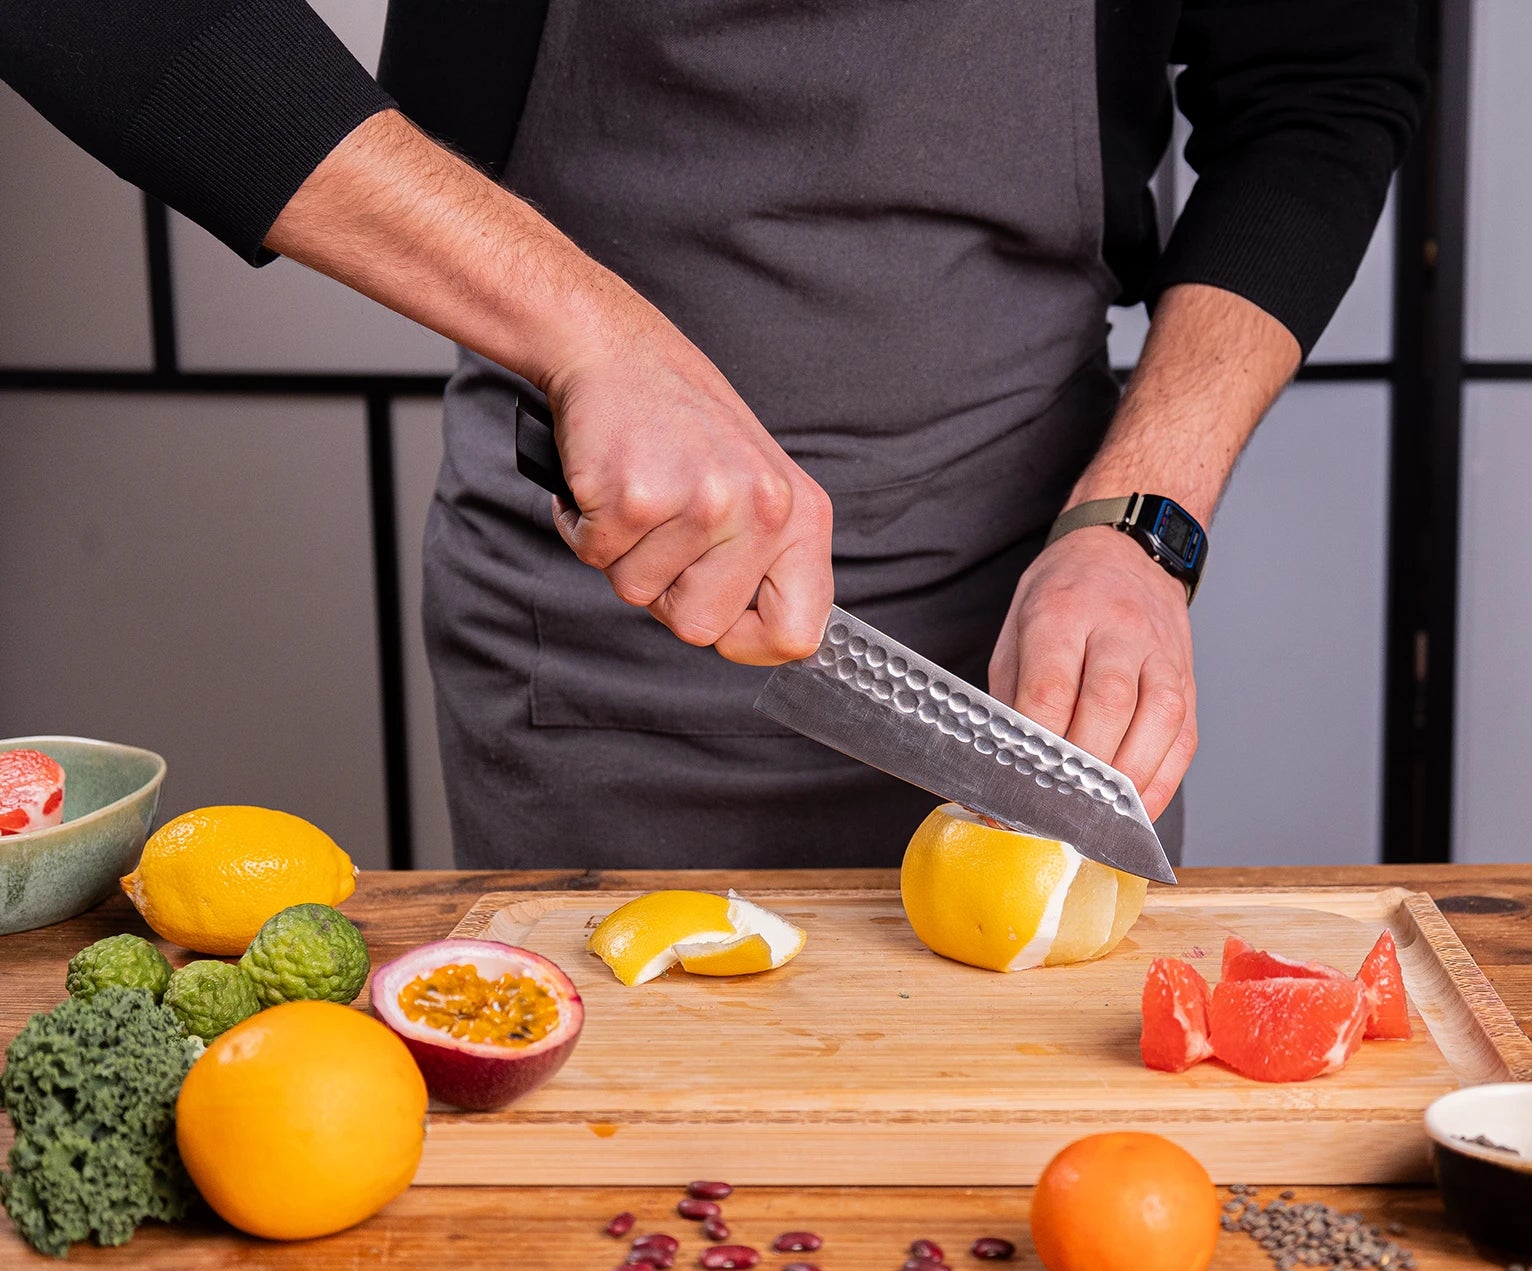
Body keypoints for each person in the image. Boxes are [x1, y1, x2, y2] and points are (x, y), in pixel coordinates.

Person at [1, 1, 1423, 869]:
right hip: (590, 629)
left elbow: (1317, 88)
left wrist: (1139, 523)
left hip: (1044, 633)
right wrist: (583, 330)